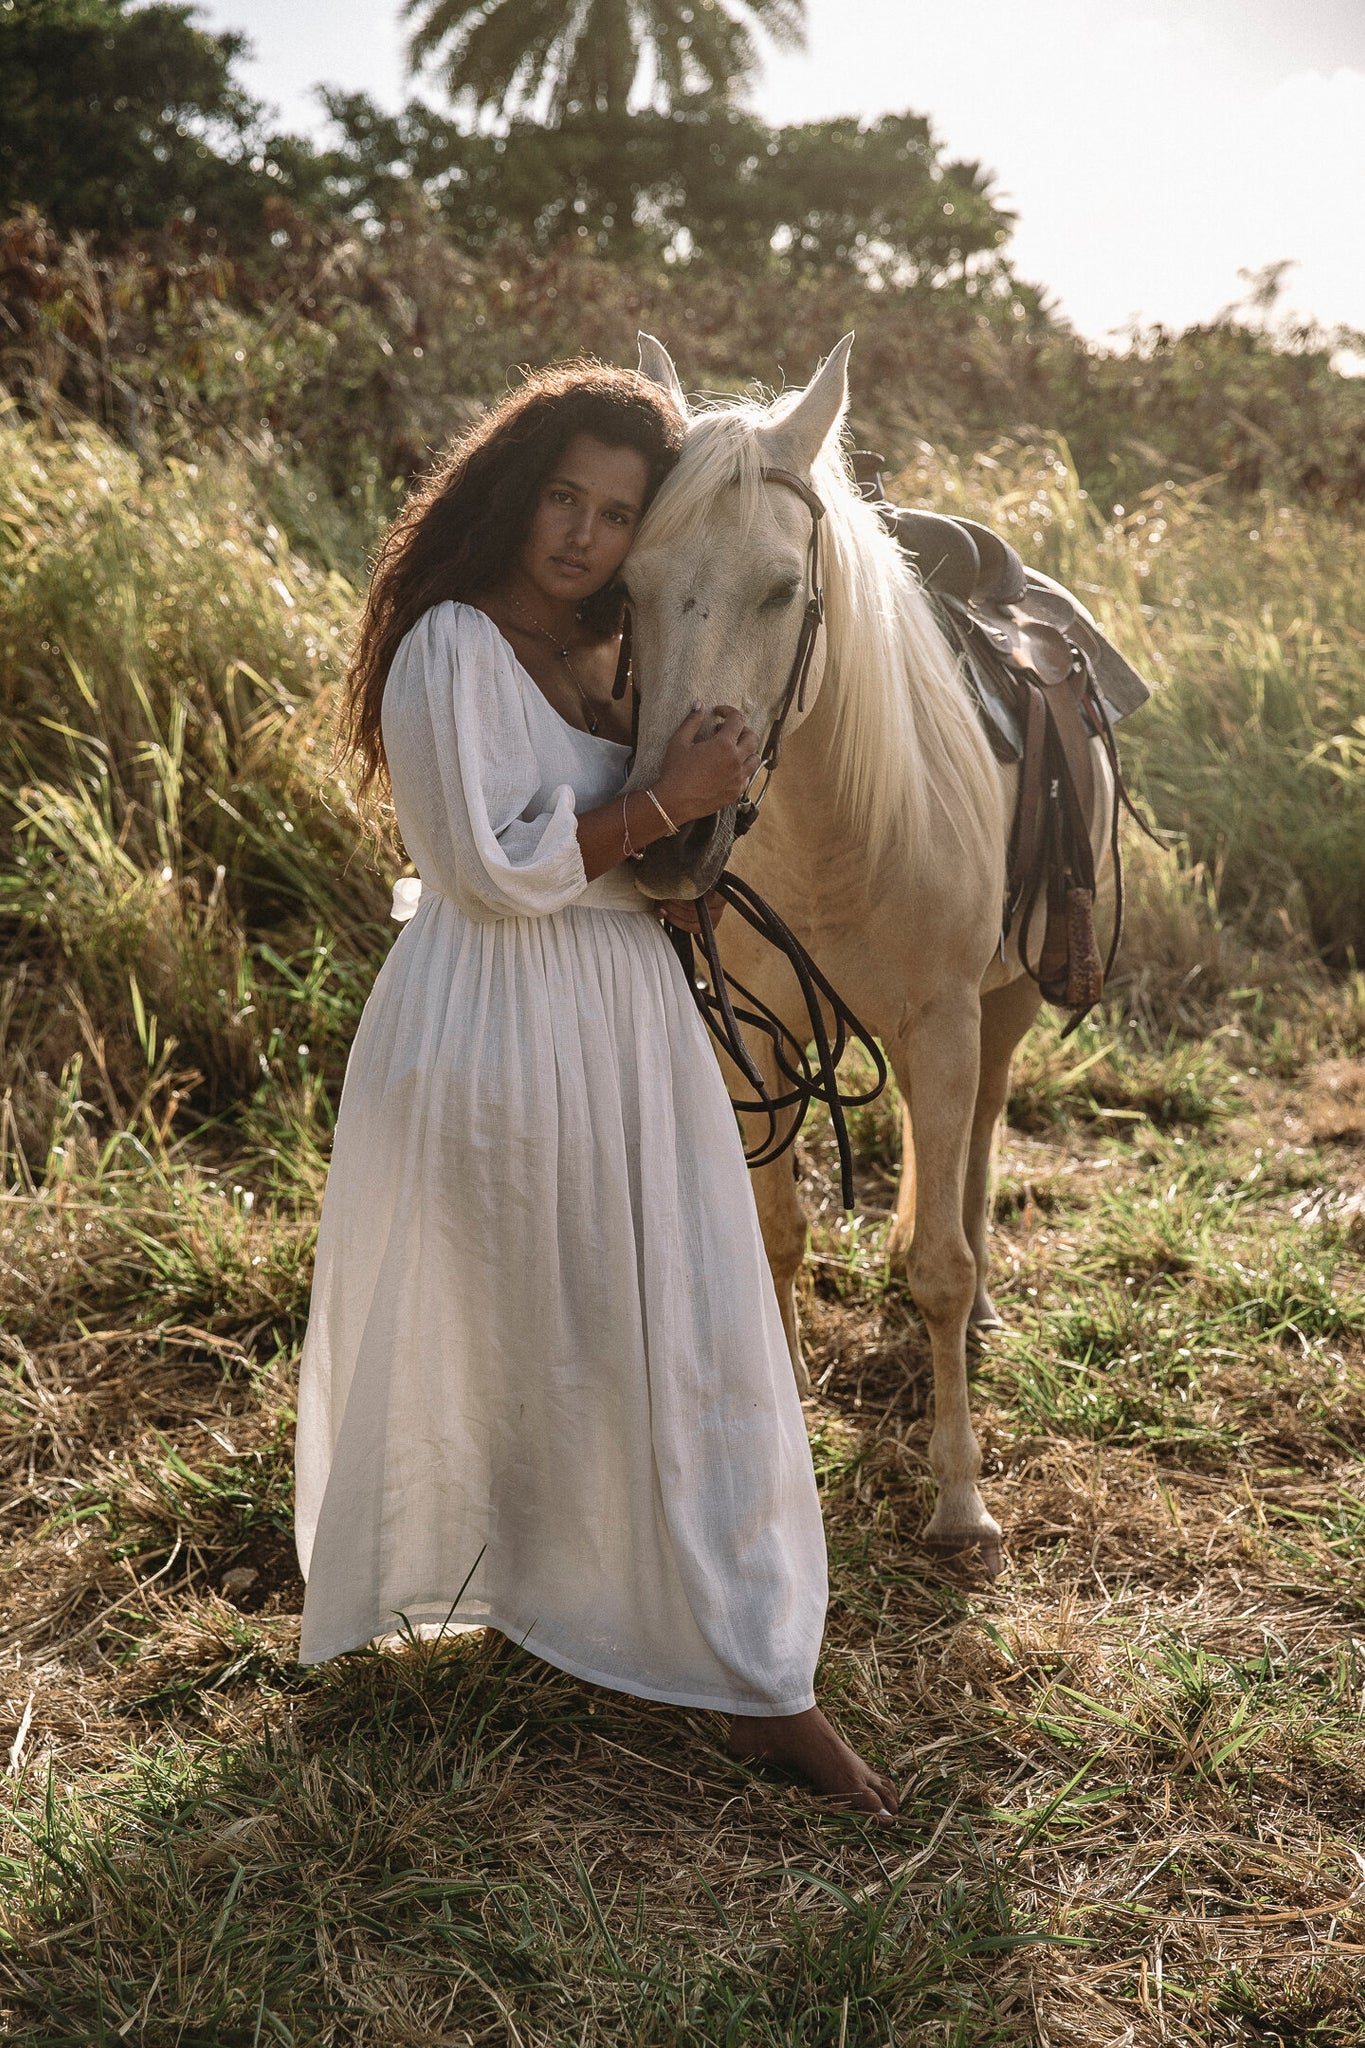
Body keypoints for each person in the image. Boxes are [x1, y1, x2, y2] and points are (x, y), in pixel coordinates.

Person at [293, 360, 899, 1821]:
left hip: (618, 1020)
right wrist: (667, 807)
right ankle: (654, 1643)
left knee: (677, 1322)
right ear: (511, 491)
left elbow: (614, 853)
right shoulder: (451, 642)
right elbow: (490, 869)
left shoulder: (604, 650)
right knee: (557, 1329)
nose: (578, 533)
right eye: (560, 496)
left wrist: (679, 867)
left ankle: (748, 1670)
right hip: (497, 1027)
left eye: (614, 512)